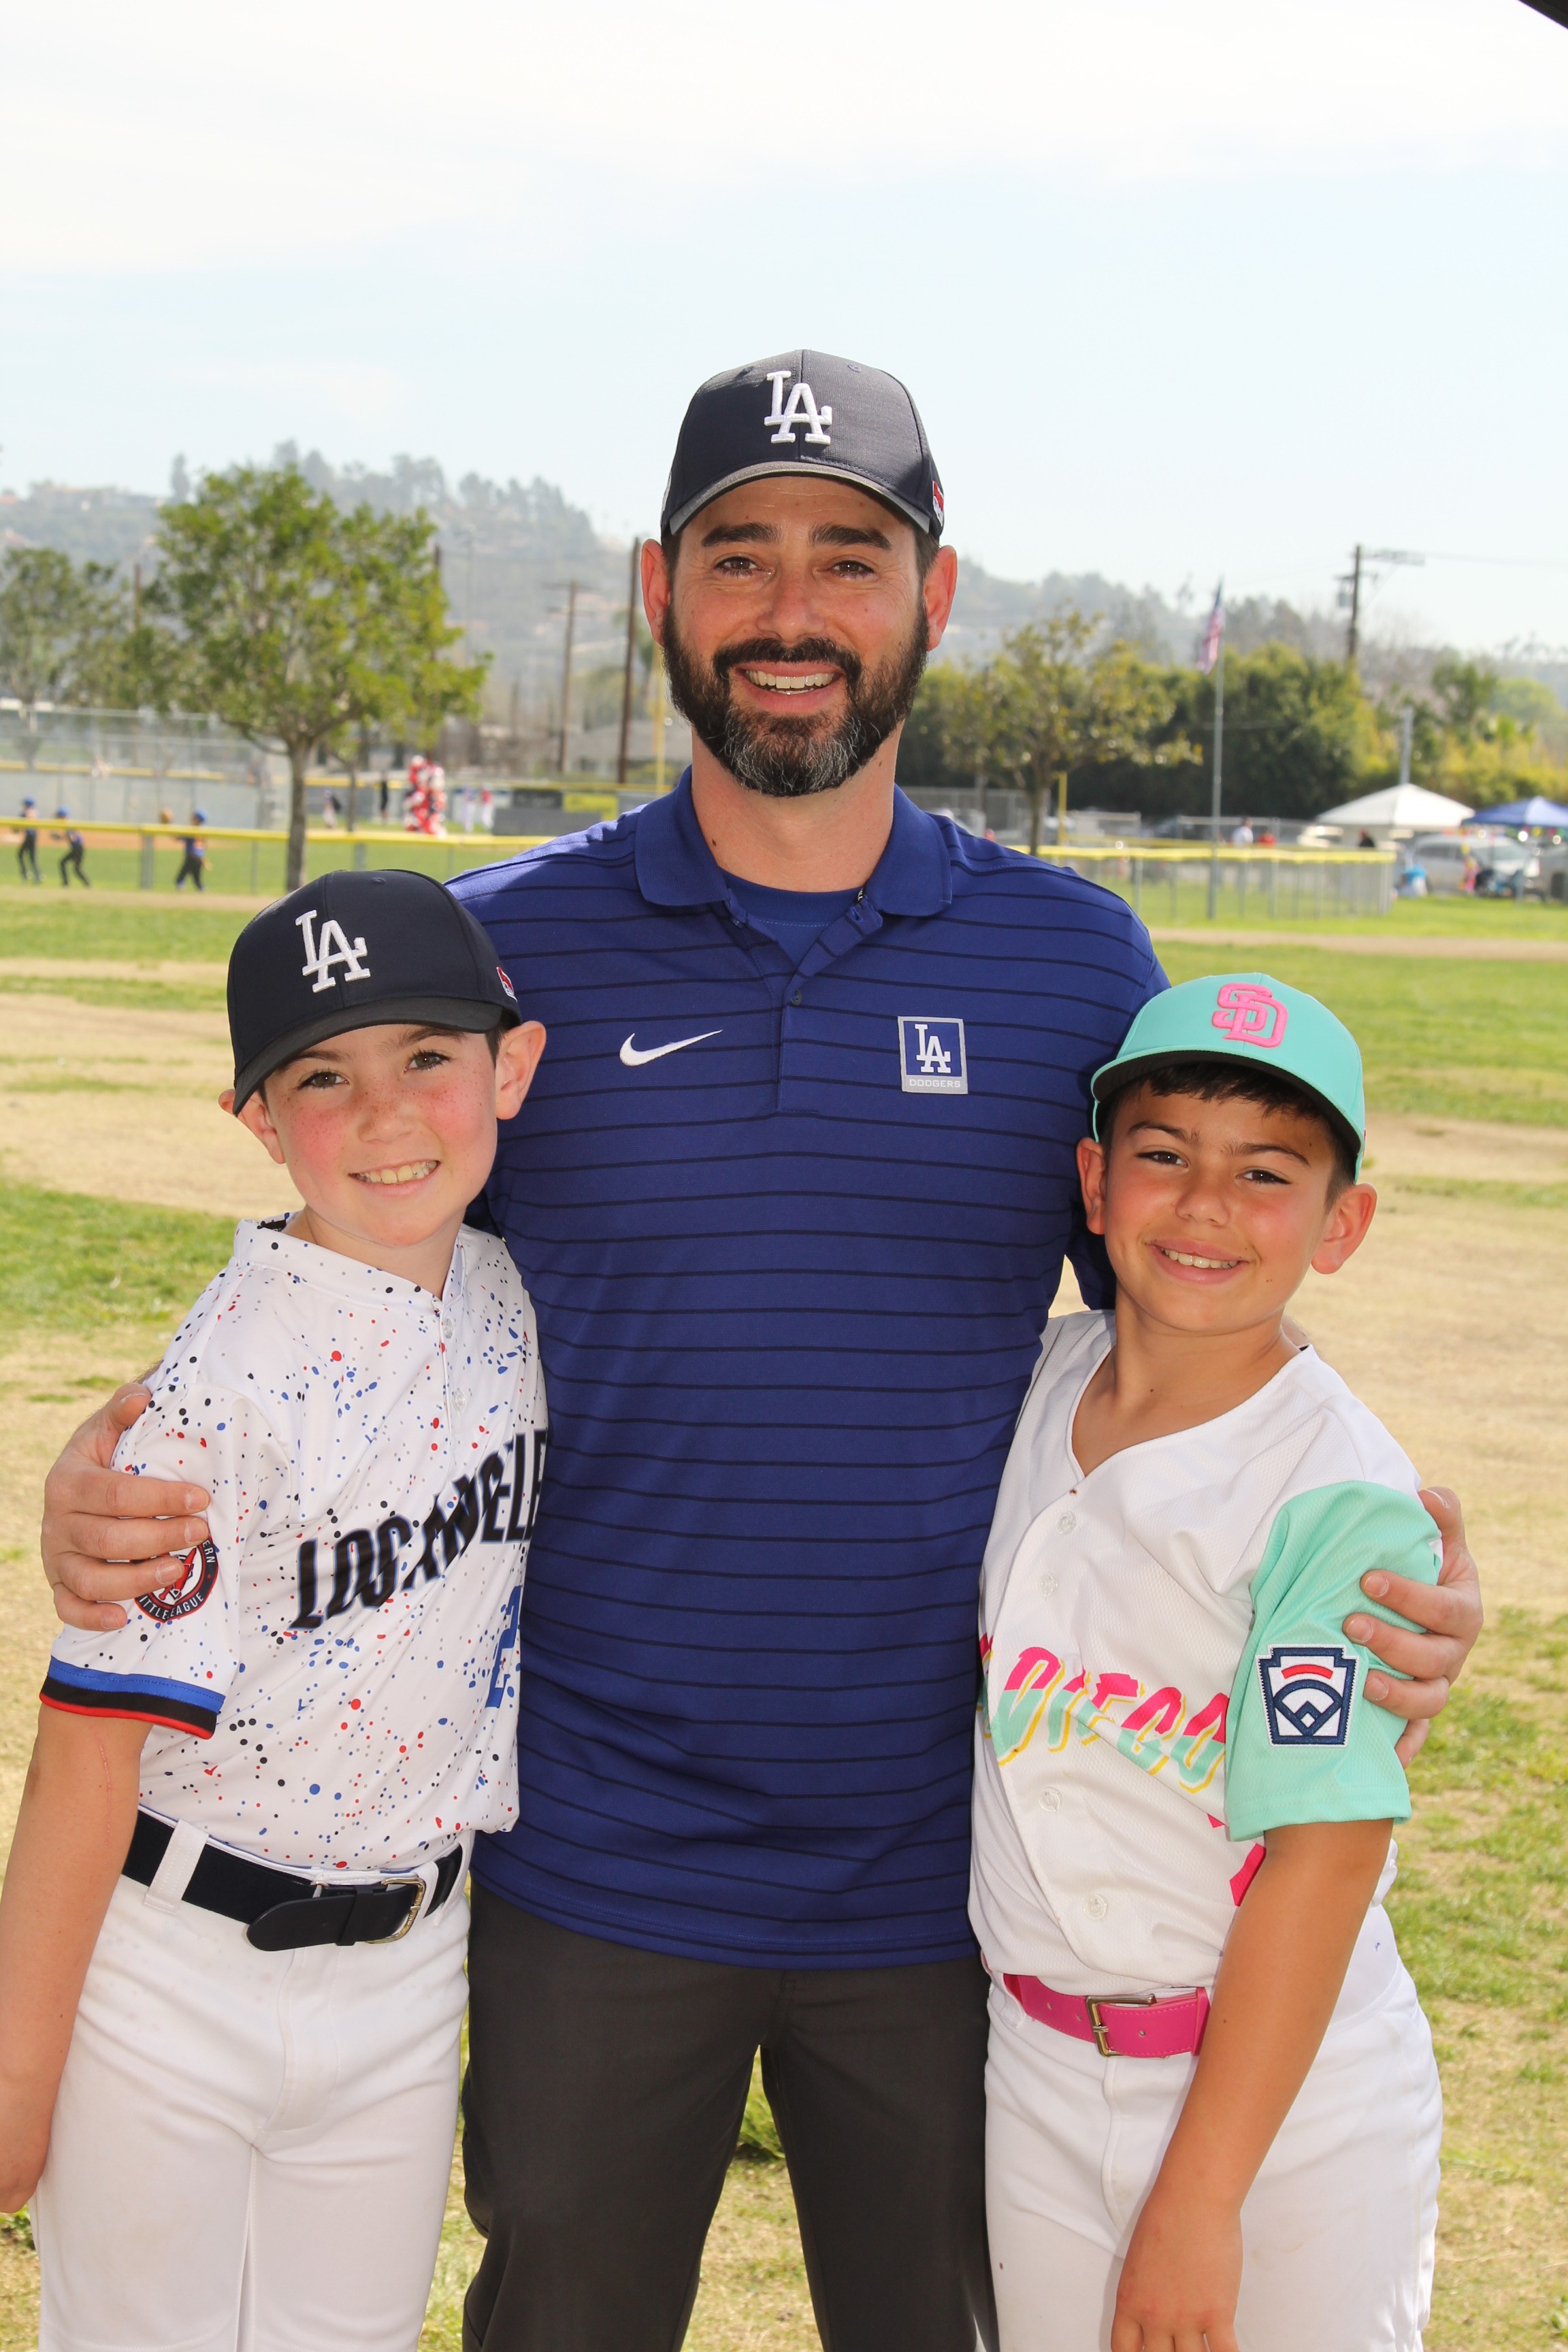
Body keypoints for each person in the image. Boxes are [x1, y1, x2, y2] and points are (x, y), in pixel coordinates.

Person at [39, 350, 1481, 2352]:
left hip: (951, 1876)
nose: (791, 609)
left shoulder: (1072, 962)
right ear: (659, 587)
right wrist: (108, 1474)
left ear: (934, 594)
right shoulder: (501, 953)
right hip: (592, 1864)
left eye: (848, 558)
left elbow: (1190, 1319)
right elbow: (348, 1275)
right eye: (739, 557)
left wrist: (1367, 1542)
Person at [1, 868, 548, 2350]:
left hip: (408, 1967)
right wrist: (16, 2077)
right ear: (256, 1119)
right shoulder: (216, 1391)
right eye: (322, 1077)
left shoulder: (512, 1301)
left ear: (511, 1067)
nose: (385, 1116)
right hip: (174, 1968)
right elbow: (84, 1759)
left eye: (425, 1057)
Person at [974, 974, 1441, 2351]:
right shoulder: (1026, 1385)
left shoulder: (1334, 1492)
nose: (1203, 1206)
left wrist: (1202, 2194)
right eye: (1164, 1154)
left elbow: (1324, 1862)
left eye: (1266, 1174)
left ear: (1340, 1224)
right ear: (1094, 1181)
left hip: (1285, 2105)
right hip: (1038, 2064)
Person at [174, 808, 208, 891]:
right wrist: (203, 859)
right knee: (196, 877)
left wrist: (167, 826)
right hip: (199, 857)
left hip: (192, 856)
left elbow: (178, 838)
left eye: (195, 817)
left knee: (182, 875)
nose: (193, 818)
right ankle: (201, 888)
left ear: (197, 819)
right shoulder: (203, 832)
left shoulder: (191, 830)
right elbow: (203, 846)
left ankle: (181, 885)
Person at [55, 808, 88, 886]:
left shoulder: (67, 825)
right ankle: (87, 884)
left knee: (66, 864)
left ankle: (67, 883)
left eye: (59, 817)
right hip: (78, 848)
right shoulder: (69, 824)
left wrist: (59, 837)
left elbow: (72, 838)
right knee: (75, 868)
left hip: (78, 848)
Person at [15, 795, 41, 883]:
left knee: (22, 855)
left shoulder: (26, 812)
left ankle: (29, 874)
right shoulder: (35, 812)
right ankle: (36, 875)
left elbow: (18, 824)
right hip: (33, 837)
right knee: (30, 857)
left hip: (30, 837)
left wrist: (16, 829)